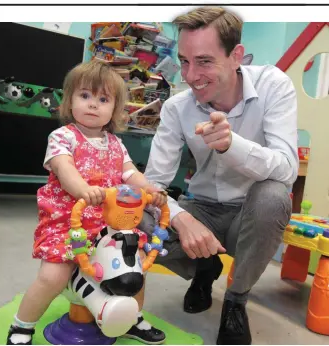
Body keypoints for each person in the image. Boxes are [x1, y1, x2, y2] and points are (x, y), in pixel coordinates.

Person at [140, 6, 298, 345]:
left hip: (248, 213)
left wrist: (233, 146)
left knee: (274, 196)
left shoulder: (273, 86)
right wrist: (182, 220)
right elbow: (152, 185)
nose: (191, 75)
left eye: (204, 61)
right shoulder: (176, 107)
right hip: (202, 208)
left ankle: (236, 298)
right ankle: (204, 270)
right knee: (136, 214)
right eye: (184, 61)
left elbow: (287, 168)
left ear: (236, 55)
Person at [6, 60, 167, 345]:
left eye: (103, 99)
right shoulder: (62, 137)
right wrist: (83, 189)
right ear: (70, 101)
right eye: (85, 96)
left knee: (137, 267)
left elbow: (131, 173)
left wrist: (150, 190)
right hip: (69, 221)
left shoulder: (116, 144)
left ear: (114, 109)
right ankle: (22, 326)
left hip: (110, 221)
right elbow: (64, 168)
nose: (93, 104)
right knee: (54, 275)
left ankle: (133, 318)